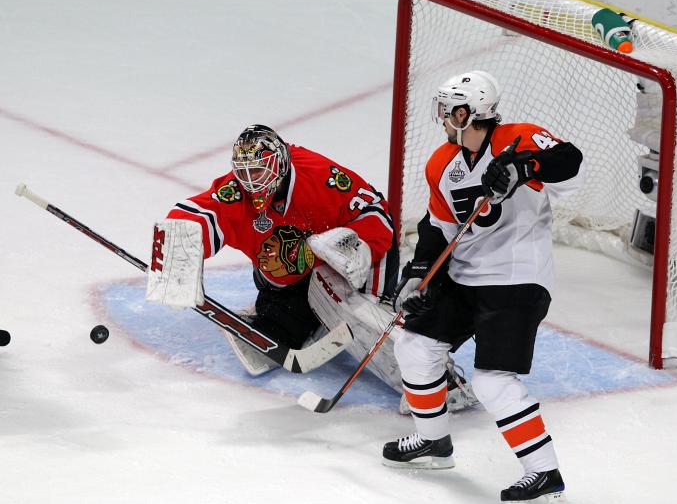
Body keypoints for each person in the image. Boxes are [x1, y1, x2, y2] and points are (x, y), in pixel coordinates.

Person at [143, 124, 475, 409]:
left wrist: (354, 248)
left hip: (357, 265)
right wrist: (179, 257)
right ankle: (304, 318)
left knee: (358, 318)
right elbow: (194, 215)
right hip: (293, 278)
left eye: (257, 170)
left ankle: (439, 384)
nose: (249, 180)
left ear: (280, 163)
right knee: (281, 330)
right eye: (242, 171)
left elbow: (377, 216)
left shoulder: (321, 179)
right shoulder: (237, 192)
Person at [381, 71, 583, 504]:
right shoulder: (441, 162)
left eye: (449, 108)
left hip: (516, 279)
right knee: (413, 345)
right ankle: (434, 442)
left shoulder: (520, 137)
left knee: (493, 380)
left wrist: (524, 166)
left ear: (469, 112)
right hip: (464, 276)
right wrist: (418, 276)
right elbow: (439, 228)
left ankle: (546, 478)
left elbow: (570, 161)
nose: (442, 117)